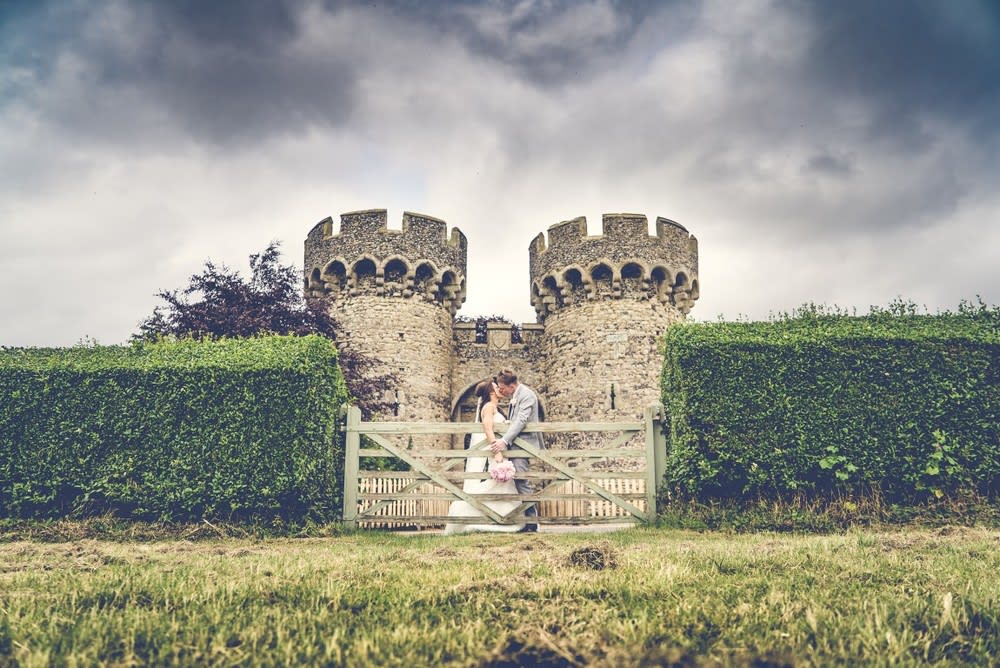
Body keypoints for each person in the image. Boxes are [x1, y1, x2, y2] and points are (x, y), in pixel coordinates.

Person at [443, 379, 525, 534]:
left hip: (503, 452)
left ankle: (503, 518)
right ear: (490, 392)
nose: (500, 388)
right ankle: (471, 513)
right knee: (499, 485)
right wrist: (498, 452)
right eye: (496, 387)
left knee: (503, 486)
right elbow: (488, 430)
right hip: (496, 454)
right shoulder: (488, 407)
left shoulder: (495, 408)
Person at [490, 368, 543, 532]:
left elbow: (521, 420)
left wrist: (504, 440)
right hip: (517, 444)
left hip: (523, 444)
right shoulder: (516, 395)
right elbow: (515, 420)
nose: (501, 391)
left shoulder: (526, 395)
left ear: (511, 386)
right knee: (518, 480)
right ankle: (525, 519)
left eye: (502, 388)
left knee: (521, 480)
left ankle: (532, 522)